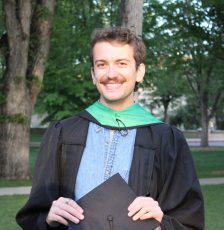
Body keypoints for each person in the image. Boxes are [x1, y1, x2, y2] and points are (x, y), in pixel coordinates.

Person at [16, 27, 204, 229]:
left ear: (139, 72)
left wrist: (161, 225)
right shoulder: (62, 133)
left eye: (121, 64)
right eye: (102, 64)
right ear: (93, 74)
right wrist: (47, 217)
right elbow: (34, 215)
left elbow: (188, 221)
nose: (111, 74)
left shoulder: (166, 140)